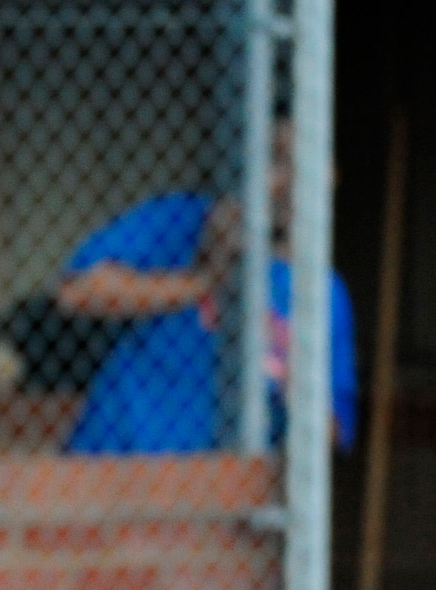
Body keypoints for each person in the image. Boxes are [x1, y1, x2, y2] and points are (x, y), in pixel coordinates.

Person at [57, 117, 356, 454]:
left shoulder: (324, 293)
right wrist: (202, 280)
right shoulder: (184, 219)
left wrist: (296, 386)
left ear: (330, 176)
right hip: (115, 463)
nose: (292, 181)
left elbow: (334, 431)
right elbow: (77, 292)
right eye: (277, 161)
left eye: (308, 162)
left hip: (226, 490)